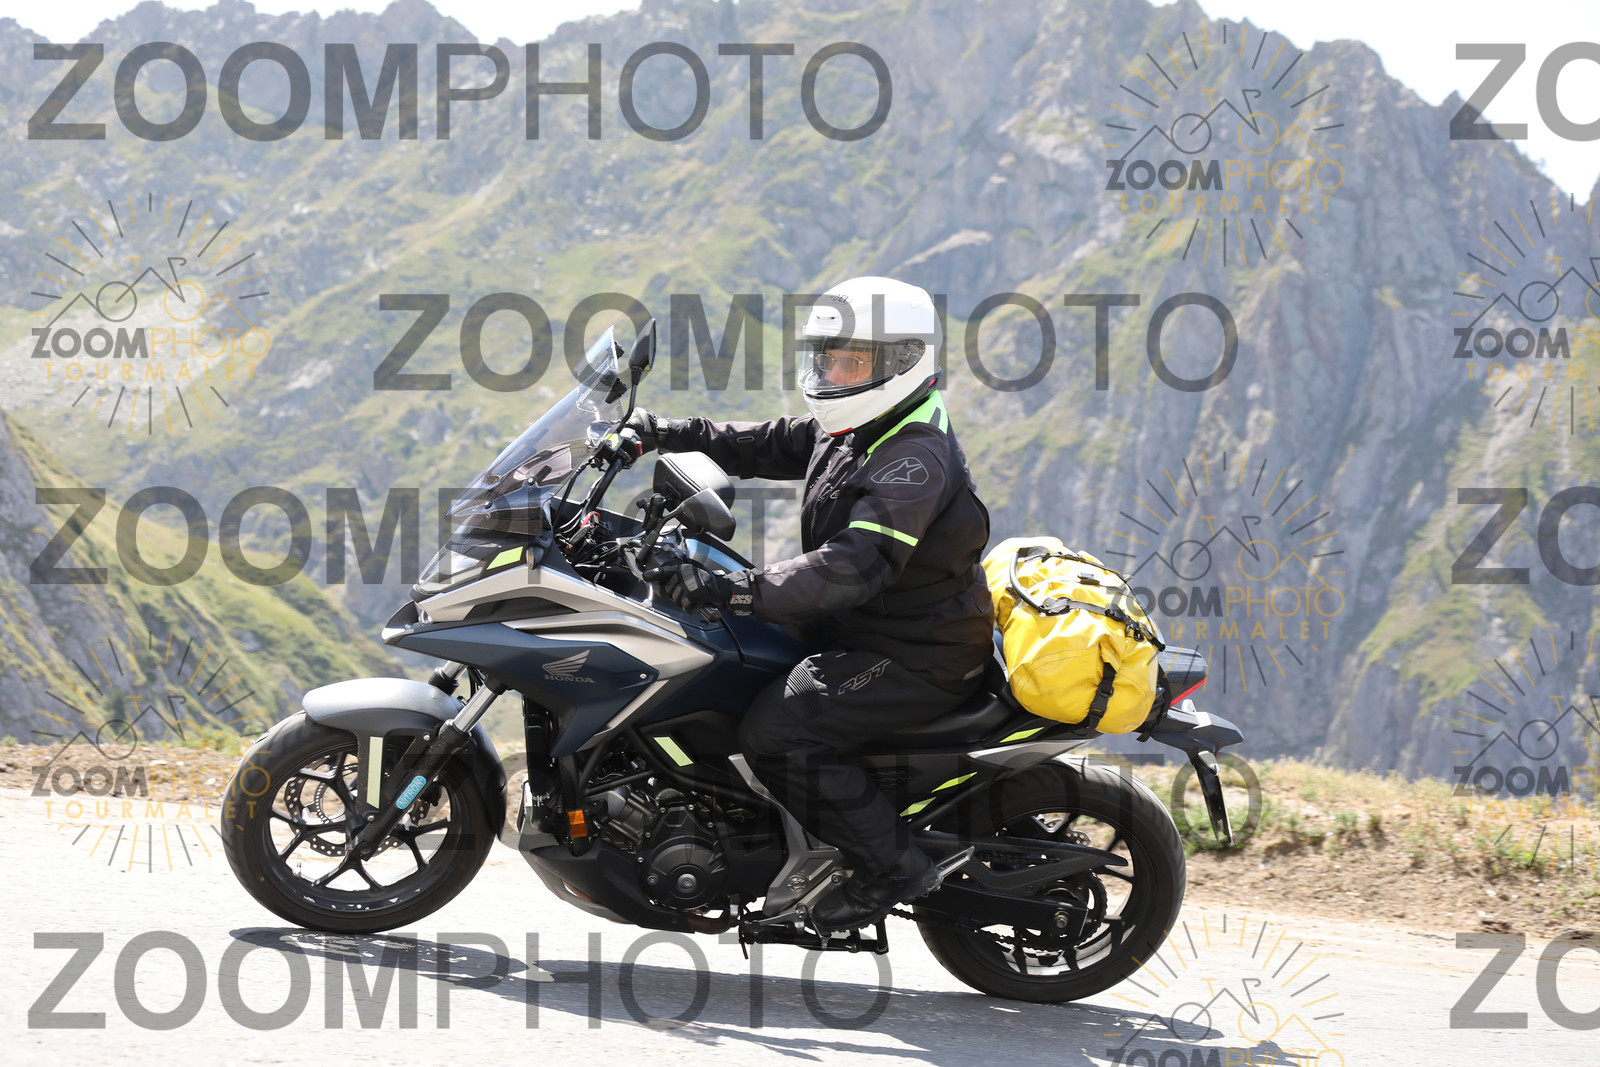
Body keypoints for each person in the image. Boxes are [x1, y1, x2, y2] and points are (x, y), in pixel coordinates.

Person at [629, 276, 993, 930]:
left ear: (904, 361)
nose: (834, 373)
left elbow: (855, 565)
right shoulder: (862, 423)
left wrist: (736, 588)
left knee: (778, 732)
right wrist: (661, 432)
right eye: (828, 358)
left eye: (853, 361)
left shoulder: (913, 457)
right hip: (862, 628)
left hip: (913, 655)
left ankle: (893, 868)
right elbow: (767, 441)